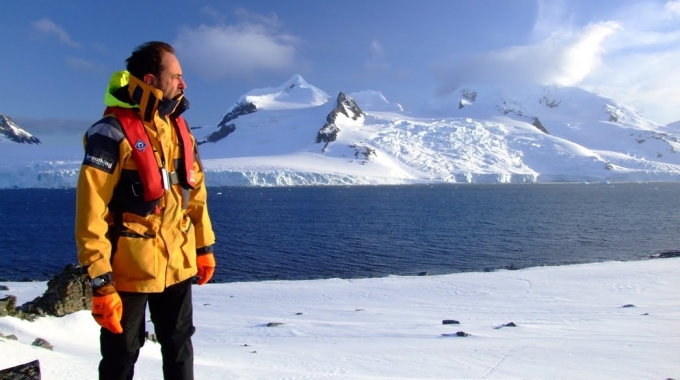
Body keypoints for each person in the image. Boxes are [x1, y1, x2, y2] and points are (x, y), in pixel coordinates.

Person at [75, 41, 216, 380]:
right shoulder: (109, 133)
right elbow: (90, 209)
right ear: (152, 79)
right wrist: (100, 280)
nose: (183, 85)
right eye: (176, 76)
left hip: (177, 262)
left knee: (180, 345)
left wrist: (203, 247)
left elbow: (194, 194)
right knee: (121, 356)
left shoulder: (181, 132)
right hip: (129, 269)